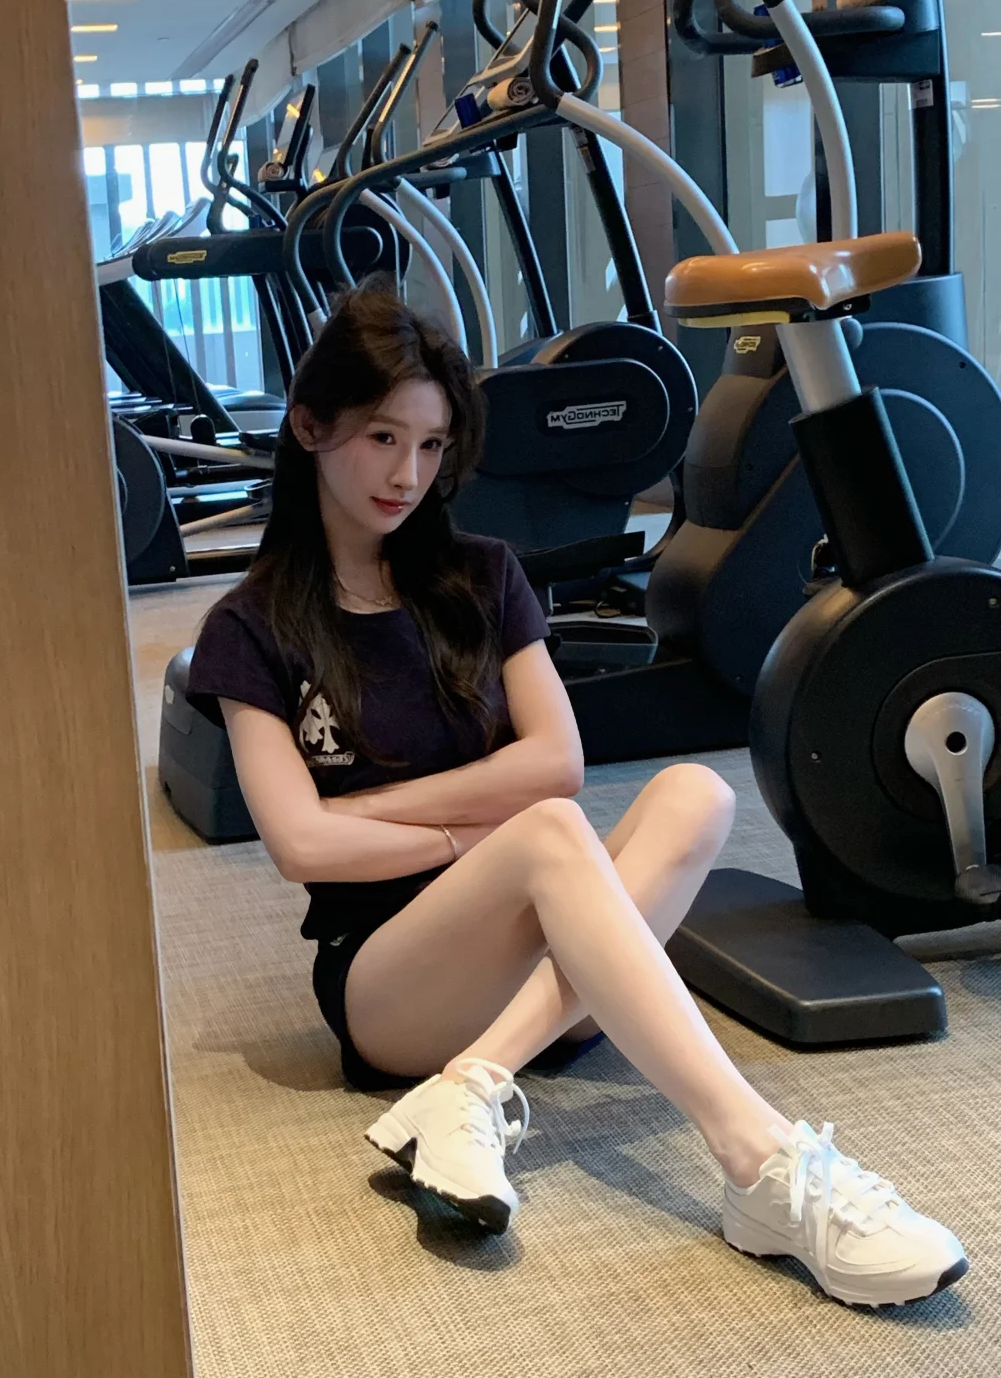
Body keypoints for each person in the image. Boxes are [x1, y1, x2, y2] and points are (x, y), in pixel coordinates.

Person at [185, 281, 967, 1309]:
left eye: (430, 445)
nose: (407, 474)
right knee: (551, 833)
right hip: (388, 982)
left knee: (695, 795)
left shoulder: (481, 575)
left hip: (538, 963)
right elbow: (301, 847)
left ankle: (476, 1080)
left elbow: (555, 761)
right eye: (381, 438)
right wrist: (473, 839)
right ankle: (760, 1161)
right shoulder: (251, 627)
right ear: (309, 427)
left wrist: (366, 814)